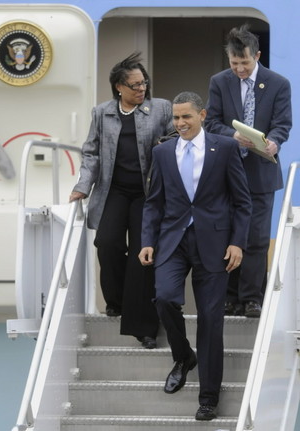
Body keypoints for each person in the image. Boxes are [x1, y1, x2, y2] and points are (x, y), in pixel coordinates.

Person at [139, 91, 252, 420]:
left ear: (202, 116)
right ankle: (184, 355)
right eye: (176, 118)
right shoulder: (162, 152)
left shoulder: (226, 147)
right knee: (164, 298)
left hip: (215, 244)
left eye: (186, 117)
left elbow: (242, 201)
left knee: (210, 321)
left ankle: (208, 398)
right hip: (173, 240)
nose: (180, 123)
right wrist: (147, 239)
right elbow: (154, 202)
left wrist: (237, 243)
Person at [70, 52, 174, 348]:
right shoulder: (102, 112)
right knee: (108, 243)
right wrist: (82, 186)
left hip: (148, 193)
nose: (141, 89)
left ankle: (143, 326)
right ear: (119, 87)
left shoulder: (161, 109)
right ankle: (115, 301)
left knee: (143, 253)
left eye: (144, 83)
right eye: (134, 85)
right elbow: (91, 152)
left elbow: (174, 143)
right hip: (113, 190)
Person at [205, 24, 292, 318]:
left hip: (261, 171)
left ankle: (252, 297)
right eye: (234, 63)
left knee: (256, 237)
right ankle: (229, 296)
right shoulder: (220, 82)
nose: (239, 69)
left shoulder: (278, 83)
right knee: (227, 233)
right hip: (227, 171)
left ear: (257, 55)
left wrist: (275, 142)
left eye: (244, 63)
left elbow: (283, 123)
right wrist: (231, 136)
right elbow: (211, 122)